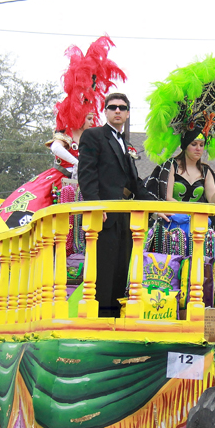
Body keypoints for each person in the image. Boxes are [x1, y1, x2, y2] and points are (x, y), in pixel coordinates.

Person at [0, 36, 123, 230]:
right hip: (60, 181)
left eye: (92, 117)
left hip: (85, 185)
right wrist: (78, 163)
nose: (92, 120)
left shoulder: (94, 137)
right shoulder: (68, 132)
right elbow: (55, 147)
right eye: (88, 118)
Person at [78, 93, 150, 317]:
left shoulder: (126, 145)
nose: (117, 111)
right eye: (112, 107)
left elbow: (135, 184)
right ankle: (97, 323)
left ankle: (114, 322)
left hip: (124, 218)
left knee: (121, 271)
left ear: (128, 113)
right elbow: (86, 174)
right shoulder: (93, 136)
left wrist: (158, 206)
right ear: (105, 111)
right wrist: (95, 206)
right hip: (103, 217)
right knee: (102, 272)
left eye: (122, 107)